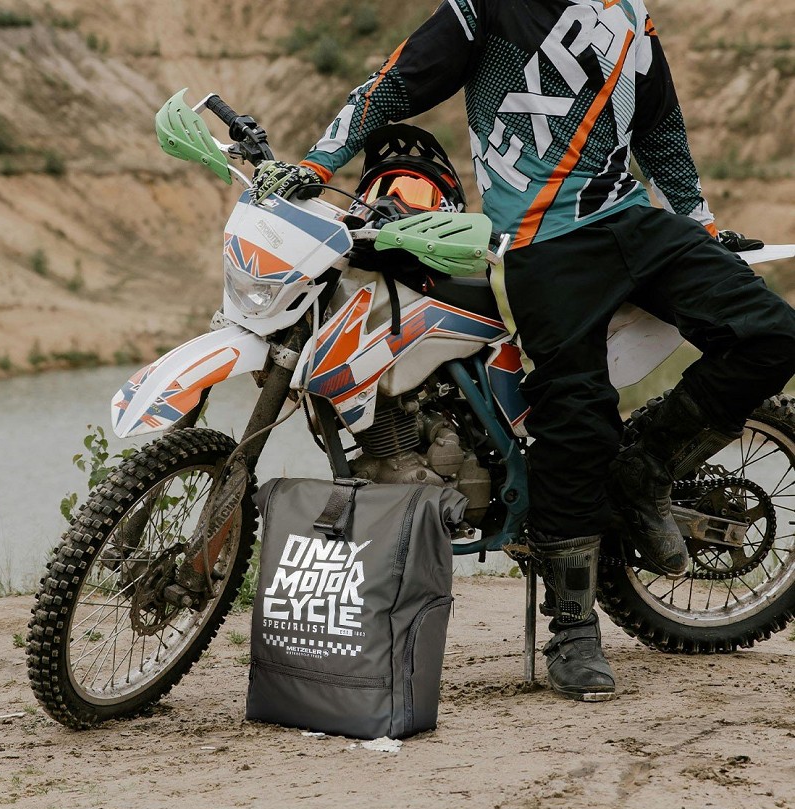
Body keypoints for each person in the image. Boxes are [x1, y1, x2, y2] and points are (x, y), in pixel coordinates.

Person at [250, 0, 795, 701]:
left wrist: (700, 225)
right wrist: (316, 162)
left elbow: (660, 127)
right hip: (542, 241)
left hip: (634, 220)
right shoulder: (487, 7)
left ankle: (646, 466)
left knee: (772, 335)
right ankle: (573, 628)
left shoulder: (626, 12)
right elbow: (396, 84)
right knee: (574, 412)